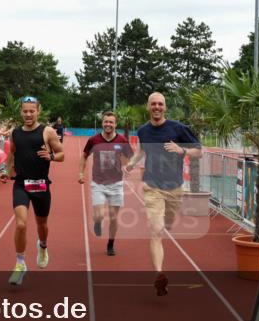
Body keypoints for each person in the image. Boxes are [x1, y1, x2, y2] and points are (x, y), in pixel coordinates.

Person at [123, 92, 201, 296]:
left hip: (174, 187)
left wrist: (181, 150)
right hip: (152, 186)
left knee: (167, 224)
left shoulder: (178, 128)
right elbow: (142, 151)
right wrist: (131, 163)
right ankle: (159, 274)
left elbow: (199, 151)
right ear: (148, 107)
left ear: (165, 107)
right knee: (155, 230)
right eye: (153, 104)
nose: (157, 107)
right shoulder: (143, 131)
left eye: (160, 104)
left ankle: (166, 223)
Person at [0, 96, 64, 286]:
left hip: (41, 184)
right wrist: (6, 171)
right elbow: (11, 155)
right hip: (21, 184)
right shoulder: (15, 133)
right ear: (21, 112)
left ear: (38, 111)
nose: (28, 114)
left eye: (31, 111)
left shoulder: (48, 131)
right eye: (25, 111)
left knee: (42, 225)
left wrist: (51, 156)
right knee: (20, 224)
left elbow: (62, 155)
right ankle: (20, 263)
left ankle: (42, 246)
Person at [80, 111, 133, 256]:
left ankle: (110, 243)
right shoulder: (93, 140)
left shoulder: (122, 140)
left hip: (116, 183)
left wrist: (126, 166)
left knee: (114, 217)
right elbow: (84, 156)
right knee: (98, 215)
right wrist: (80, 173)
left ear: (115, 124)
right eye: (106, 121)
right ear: (102, 123)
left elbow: (129, 157)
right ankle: (97, 222)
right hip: (98, 183)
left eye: (111, 122)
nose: (108, 124)